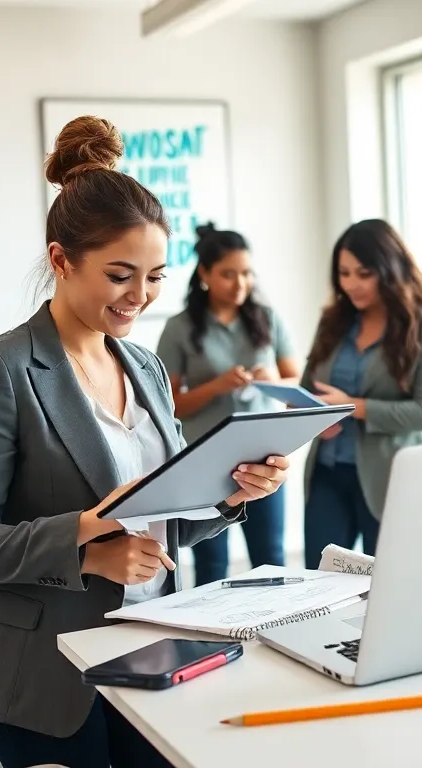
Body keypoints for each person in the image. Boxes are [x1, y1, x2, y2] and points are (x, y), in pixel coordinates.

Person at [0, 115, 289, 768]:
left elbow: (166, 525)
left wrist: (231, 495)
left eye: (155, 277)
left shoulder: (145, 366)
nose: (140, 298)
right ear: (61, 261)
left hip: (148, 647)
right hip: (41, 672)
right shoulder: (1, 369)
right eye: (121, 275)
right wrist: (87, 549)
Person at [299, 219, 422, 569]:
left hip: (391, 478)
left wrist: (352, 408)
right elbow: (308, 390)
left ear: (390, 269)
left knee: (384, 585)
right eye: (344, 273)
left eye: (363, 273)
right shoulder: (333, 321)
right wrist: (312, 418)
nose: (351, 284)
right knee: (317, 582)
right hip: (327, 474)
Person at [156, 223, 300, 586]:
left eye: (247, 273)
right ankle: (212, 643)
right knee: (210, 565)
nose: (240, 284)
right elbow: (167, 406)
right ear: (204, 274)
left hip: (263, 460)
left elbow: (298, 385)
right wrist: (216, 386)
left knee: (271, 558)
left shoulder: (267, 319)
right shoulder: (179, 328)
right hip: (208, 460)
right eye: (228, 274)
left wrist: (272, 381)